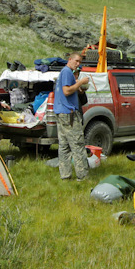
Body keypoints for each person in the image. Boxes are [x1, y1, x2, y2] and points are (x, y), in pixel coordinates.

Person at [54, 52, 91, 181]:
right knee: (78, 145)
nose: (78, 64)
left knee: (64, 146)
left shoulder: (64, 72)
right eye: (76, 61)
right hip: (69, 114)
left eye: (80, 62)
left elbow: (68, 90)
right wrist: (80, 82)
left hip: (61, 112)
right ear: (70, 60)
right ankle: (82, 176)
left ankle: (65, 175)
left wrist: (78, 89)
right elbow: (66, 91)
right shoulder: (67, 72)